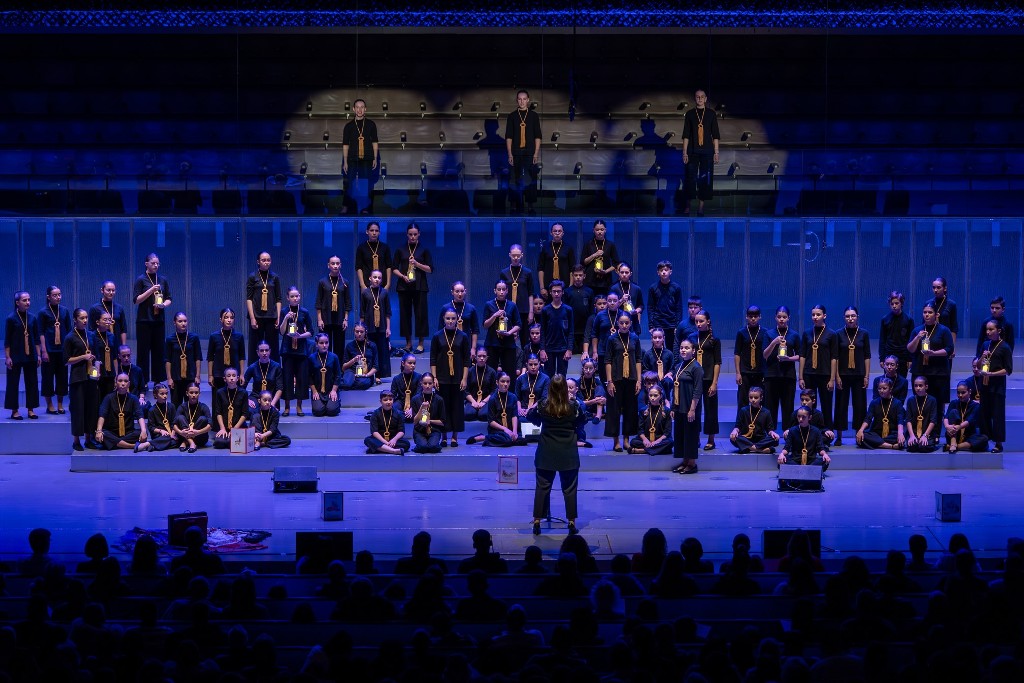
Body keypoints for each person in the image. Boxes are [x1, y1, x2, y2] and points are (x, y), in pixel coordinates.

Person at [528, 374, 586, 535]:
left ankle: (537, 521)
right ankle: (571, 521)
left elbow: (531, 418)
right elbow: (582, 421)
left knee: (542, 487)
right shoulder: (573, 406)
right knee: (569, 488)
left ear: (550, 388)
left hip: (546, 451)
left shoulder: (542, 405)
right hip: (568, 452)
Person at [430, 309, 471, 447]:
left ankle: (455, 436)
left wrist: (464, 379)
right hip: (442, 378)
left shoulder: (463, 336)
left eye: (453, 318)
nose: (450, 321)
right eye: (448, 318)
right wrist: (434, 377)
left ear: (457, 319)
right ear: (443, 319)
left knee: (457, 407)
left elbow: (466, 360)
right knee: (444, 408)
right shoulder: (437, 336)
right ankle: (444, 436)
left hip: (458, 378)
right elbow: (433, 359)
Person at [907, 302, 954, 419]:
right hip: (920, 371)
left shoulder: (944, 330)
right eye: (925, 312)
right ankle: (920, 431)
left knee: (937, 404)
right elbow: (910, 349)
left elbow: (949, 349)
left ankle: (935, 434)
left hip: (938, 372)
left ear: (936, 314)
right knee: (920, 403)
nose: (927, 315)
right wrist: (917, 337)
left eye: (930, 312)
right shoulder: (917, 330)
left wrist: (934, 353)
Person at [393, 222, 433, 354]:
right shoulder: (400, 249)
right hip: (404, 286)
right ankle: (408, 343)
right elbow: (394, 268)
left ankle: (420, 343)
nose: (412, 237)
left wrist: (417, 263)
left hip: (420, 286)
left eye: (415, 234)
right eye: (410, 234)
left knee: (421, 314)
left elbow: (430, 269)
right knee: (405, 315)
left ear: (419, 234)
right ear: (407, 234)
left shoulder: (424, 249)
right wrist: (403, 276)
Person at [604, 313, 642, 452]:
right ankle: (616, 441)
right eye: (621, 323)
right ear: (617, 324)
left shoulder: (635, 338)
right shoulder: (612, 339)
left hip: (631, 379)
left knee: (630, 410)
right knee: (614, 410)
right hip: (616, 379)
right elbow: (607, 361)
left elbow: (638, 360)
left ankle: (626, 439)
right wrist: (609, 381)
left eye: (627, 323)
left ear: (631, 323)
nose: (624, 325)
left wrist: (639, 380)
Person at [834, 306, 871, 446]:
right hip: (843, 375)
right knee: (840, 405)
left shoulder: (864, 333)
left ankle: (859, 435)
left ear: (857, 317)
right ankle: (839, 436)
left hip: (859, 375)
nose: (850, 318)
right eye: (848, 316)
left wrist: (866, 376)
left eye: (853, 316)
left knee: (860, 406)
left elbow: (867, 356)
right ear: (844, 317)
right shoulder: (838, 334)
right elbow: (835, 357)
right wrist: (836, 376)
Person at [133, 253, 172, 385]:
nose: (156, 265)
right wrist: (151, 290)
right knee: (143, 352)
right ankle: (142, 381)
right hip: (144, 321)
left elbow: (169, 299)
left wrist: (163, 305)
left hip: (158, 320)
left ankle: (158, 380)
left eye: (157, 263)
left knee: (159, 351)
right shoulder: (141, 279)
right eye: (153, 263)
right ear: (146, 264)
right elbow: (136, 300)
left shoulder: (162, 280)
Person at [681, 89, 721, 217]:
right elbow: (686, 134)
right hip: (692, 151)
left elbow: (715, 134)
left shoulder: (711, 113)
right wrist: (684, 152)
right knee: (690, 178)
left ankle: (701, 207)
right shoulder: (690, 114)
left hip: (708, 151)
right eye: (697, 97)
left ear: (706, 98)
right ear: (695, 98)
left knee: (705, 179)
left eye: (702, 97)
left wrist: (716, 152)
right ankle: (687, 206)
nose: (699, 99)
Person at [65, 308, 100, 451]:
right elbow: (66, 360)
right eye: (82, 318)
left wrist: (97, 370)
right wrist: (82, 357)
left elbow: (97, 356)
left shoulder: (91, 335)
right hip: (77, 378)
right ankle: (76, 440)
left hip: (91, 377)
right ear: (75, 320)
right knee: (78, 410)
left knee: (91, 409)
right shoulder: (70, 337)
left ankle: (88, 438)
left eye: (86, 318)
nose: (85, 321)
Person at [799, 304, 838, 434]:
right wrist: (801, 376)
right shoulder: (807, 333)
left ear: (824, 316)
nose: (815, 317)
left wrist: (832, 379)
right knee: (809, 406)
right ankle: (810, 432)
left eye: (818, 314)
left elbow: (834, 358)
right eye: (813, 315)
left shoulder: (831, 334)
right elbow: (802, 356)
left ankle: (828, 433)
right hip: (809, 373)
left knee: (827, 406)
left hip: (825, 374)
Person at [763, 305, 801, 431]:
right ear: (775, 318)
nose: (781, 319)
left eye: (784, 317)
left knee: (788, 407)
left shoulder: (794, 335)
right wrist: (774, 342)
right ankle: (771, 433)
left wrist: (789, 359)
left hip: (788, 375)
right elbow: (765, 355)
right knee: (770, 407)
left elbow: (801, 356)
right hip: (771, 375)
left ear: (788, 318)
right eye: (779, 317)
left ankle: (787, 434)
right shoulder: (769, 334)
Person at [688, 309, 721, 450]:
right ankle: (694, 437)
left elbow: (717, 362)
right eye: (696, 321)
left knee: (710, 410)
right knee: (694, 409)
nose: (699, 324)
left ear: (708, 321)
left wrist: (714, 382)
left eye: (701, 321)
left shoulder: (714, 340)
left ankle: (711, 439)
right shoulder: (691, 337)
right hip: (694, 379)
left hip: (708, 379)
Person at [978, 318, 1012, 453]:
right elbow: (978, 364)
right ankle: (984, 440)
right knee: (984, 414)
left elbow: (1008, 370)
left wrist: (992, 374)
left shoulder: (1005, 347)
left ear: (998, 331)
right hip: (984, 385)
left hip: (997, 386)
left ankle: (998, 443)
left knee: (997, 415)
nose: (988, 332)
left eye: (991, 329)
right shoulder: (985, 345)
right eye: (987, 329)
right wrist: (982, 357)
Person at [505, 89, 541, 214]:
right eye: (519, 99)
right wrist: (509, 153)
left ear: (528, 100)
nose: (522, 101)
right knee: (513, 178)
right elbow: (509, 136)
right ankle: (514, 204)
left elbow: (538, 136)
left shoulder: (534, 116)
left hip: (530, 152)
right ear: (517, 100)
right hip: (515, 152)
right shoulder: (512, 116)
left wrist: (536, 153)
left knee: (530, 178)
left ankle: (530, 204)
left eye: (524, 99)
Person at [5, 290, 40, 420]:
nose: (28, 302)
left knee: (32, 382)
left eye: (29, 300)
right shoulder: (11, 318)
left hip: (30, 355)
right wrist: (8, 357)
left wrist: (39, 355)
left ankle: (31, 409)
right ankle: (14, 410)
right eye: (24, 300)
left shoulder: (33, 318)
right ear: (17, 302)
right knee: (13, 383)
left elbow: (36, 338)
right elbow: (7, 340)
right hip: (15, 355)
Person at [38, 285, 72, 415]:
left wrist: (69, 349)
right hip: (49, 350)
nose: (58, 297)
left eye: (59, 294)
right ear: (48, 297)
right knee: (47, 378)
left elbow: (69, 331)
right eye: (55, 295)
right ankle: (49, 405)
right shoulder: (43, 312)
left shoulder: (64, 311)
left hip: (62, 350)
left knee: (62, 377)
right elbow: (40, 332)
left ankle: (59, 404)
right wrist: (44, 351)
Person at [341, 98, 379, 215]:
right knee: (348, 182)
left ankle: (366, 207)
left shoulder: (371, 124)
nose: (359, 110)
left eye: (362, 107)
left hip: (367, 157)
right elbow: (345, 145)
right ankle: (346, 206)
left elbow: (375, 142)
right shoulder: (348, 126)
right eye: (357, 107)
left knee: (367, 183)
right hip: (352, 158)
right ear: (353, 109)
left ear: (365, 109)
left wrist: (375, 158)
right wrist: (345, 161)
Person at [278, 288, 313, 413]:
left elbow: (311, 332)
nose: (295, 298)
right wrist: (286, 318)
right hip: (287, 349)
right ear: (288, 298)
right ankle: (287, 406)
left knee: (301, 378)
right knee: (287, 378)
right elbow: (281, 332)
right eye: (292, 296)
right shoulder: (284, 311)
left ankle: (299, 406)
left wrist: (300, 336)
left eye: (297, 296)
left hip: (301, 349)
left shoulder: (304, 312)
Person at [672, 338, 703, 474]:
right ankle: (685, 461)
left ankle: (692, 464)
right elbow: (675, 388)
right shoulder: (678, 366)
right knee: (681, 435)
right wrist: (673, 407)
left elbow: (697, 390)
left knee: (690, 435)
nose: (683, 350)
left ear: (693, 351)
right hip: (679, 406)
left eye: (687, 348)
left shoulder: (696, 367)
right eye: (682, 348)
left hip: (690, 407)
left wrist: (692, 409)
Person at [96, 372, 150, 451]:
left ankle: (116, 444)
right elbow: (102, 415)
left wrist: (144, 430)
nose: (123, 383)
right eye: (120, 381)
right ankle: (133, 446)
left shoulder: (133, 398)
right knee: (104, 434)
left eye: (125, 381)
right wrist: (99, 430)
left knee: (142, 434)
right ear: (116, 382)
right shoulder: (109, 397)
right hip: (112, 432)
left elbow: (140, 415)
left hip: (128, 433)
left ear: (129, 384)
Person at [245, 251, 283, 363]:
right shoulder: (253, 277)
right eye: (263, 260)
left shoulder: (274, 277)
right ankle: (254, 372)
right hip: (256, 316)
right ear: (258, 262)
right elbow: (249, 298)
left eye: (268, 260)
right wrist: (252, 317)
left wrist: (278, 316)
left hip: (272, 316)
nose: (266, 262)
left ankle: (275, 372)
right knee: (255, 345)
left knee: (273, 345)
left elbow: (278, 298)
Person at [468, 371, 522, 447]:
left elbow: (514, 415)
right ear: (497, 382)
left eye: (507, 382)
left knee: (522, 440)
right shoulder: (493, 398)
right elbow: (491, 421)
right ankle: (483, 437)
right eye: (502, 381)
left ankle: (497, 439)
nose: (505, 384)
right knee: (507, 441)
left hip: (509, 428)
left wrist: (515, 431)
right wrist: (504, 429)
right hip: (497, 429)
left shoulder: (513, 397)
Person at [499, 244, 536, 347]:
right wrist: (501, 310)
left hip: (523, 310)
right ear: (509, 255)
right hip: (506, 310)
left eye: (518, 255)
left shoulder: (528, 272)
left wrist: (531, 312)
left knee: (525, 339)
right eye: (513, 255)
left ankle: (525, 362)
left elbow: (530, 293)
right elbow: (501, 293)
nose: (516, 258)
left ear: (522, 255)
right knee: (504, 335)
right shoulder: (504, 272)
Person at [734, 305, 769, 411]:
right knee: (742, 400)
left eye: (755, 316)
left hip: (760, 371)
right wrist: (738, 372)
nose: (753, 318)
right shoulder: (741, 332)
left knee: (762, 400)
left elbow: (767, 353)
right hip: (745, 371)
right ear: (746, 317)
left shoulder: (765, 332)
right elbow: (737, 353)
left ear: (760, 317)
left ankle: (761, 425)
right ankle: (741, 426)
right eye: (750, 316)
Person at [483, 280, 521, 377]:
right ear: (494, 291)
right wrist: (494, 316)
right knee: (490, 372)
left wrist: (509, 333)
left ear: (507, 291)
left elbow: (518, 324)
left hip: (508, 343)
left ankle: (510, 392)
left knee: (509, 373)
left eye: (503, 289)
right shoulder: (489, 304)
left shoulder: (512, 305)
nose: (501, 292)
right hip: (492, 343)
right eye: (499, 289)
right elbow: (485, 325)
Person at [315, 255, 352, 356]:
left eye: (337, 263)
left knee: (339, 347)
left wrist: (346, 319)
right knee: (324, 346)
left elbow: (348, 303)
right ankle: (325, 369)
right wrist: (319, 319)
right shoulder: (322, 282)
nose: (335, 266)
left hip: (340, 319)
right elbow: (318, 302)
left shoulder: (345, 282)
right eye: (333, 263)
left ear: (340, 265)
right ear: (328, 265)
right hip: (325, 319)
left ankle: (338, 370)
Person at [164, 312, 202, 408]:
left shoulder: (194, 338)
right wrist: (169, 378)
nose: (183, 323)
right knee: (175, 404)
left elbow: (198, 358)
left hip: (190, 377)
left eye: (185, 321)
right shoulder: (170, 339)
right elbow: (168, 360)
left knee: (191, 404)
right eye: (180, 321)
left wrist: (197, 376)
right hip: (176, 377)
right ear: (174, 323)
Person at [777, 406, 831, 473]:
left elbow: (820, 448)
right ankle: (808, 472)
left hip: (811, 461)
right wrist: (782, 454)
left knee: (825, 461)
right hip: (795, 461)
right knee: (781, 462)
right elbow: (787, 448)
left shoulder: (816, 431)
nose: (800, 419)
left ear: (809, 418)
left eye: (803, 417)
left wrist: (825, 454)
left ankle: (799, 472)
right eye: (798, 416)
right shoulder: (792, 430)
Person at [856, 377, 905, 450]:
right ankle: (890, 446)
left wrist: (900, 434)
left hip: (891, 434)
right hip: (877, 433)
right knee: (861, 437)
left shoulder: (897, 403)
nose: (881, 391)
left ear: (890, 389)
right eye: (879, 388)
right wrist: (861, 430)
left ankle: (877, 443)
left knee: (901, 438)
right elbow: (868, 418)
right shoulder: (874, 403)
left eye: (884, 388)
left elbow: (900, 420)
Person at [360, 269, 392, 378]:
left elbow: (388, 312)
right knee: (371, 351)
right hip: (369, 327)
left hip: (382, 327)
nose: (377, 279)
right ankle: (370, 374)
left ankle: (381, 375)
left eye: (379, 278)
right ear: (370, 278)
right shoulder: (365, 292)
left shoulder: (384, 292)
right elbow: (362, 312)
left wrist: (388, 328)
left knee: (382, 351)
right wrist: (362, 328)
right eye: (375, 277)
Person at [539, 279, 573, 378]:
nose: (556, 294)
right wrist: (542, 349)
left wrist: (569, 349)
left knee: (562, 376)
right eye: (554, 291)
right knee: (548, 376)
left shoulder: (568, 310)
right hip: (549, 347)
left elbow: (571, 331)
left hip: (563, 347)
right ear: (550, 293)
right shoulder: (545, 310)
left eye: (559, 291)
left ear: (562, 292)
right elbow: (543, 331)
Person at [730, 386, 779, 454]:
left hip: (761, 440)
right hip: (746, 438)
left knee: (776, 439)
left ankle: (748, 448)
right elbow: (738, 426)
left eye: (756, 398)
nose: (753, 400)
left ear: (761, 398)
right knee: (733, 438)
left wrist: (773, 433)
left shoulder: (766, 412)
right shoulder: (743, 410)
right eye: (751, 397)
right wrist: (734, 431)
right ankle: (759, 450)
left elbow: (769, 429)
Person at [647, 260, 684, 351]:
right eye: (661, 270)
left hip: (671, 323)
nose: (664, 272)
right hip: (658, 323)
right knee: (657, 349)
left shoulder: (676, 287)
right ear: (658, 272)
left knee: (671, 349)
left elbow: (679, 308)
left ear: (670, 272)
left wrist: (677, 325)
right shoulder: (653, 288)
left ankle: (670, 366)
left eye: (666, 270)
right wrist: (651, 326)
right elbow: (650, 307)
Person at [207, 307, 246, 394]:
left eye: (231, 318)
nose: (229, 320)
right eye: (226, 317)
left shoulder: (239, 336)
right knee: (217, 401)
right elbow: (210, 357)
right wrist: (210, 375)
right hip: (218, 374)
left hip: (234, 375)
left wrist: (242, 374)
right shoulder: (214, 336)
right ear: (221, 319)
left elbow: (242, 357)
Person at [943, 381, 988, 453]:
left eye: (963, 392)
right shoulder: (954, 403)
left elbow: (969, 421)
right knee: (953, 412)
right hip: (952, 434)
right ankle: (953, 442)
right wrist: (947, 426)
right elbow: (946, 417)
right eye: (958, 392)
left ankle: (955, 446)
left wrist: (959, 427)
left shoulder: (975, 405)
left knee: (984, 439)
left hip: (968, 436)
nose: (960, 395)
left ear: (969, 391)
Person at [879, 290, 914, 378]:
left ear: (901, 303)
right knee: (888, 382)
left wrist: (910, 358)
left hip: (903, 355)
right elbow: (882, 339)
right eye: (892, 304)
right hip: (889, 354)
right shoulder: (885, 319)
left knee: (902, 380)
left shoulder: (908, 320)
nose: (894, 306)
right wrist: (882, 358)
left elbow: (911, 340)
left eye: (896, 303)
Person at [579, 219, 618, 296]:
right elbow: (583, 262)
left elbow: (616, 263)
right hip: (590, 280)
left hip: (605, 280)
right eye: (597, 230)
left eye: (602, 229)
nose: (599, 232)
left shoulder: (610, 244)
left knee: (604, 303)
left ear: (605, 230)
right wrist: (594, 255)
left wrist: (606, 271)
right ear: (593, 230)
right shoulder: (588, 244)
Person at [631, 385, 673, 455]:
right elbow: (640, 429)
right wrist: (645, 439)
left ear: (660, 396)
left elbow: (667, 432)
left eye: (655, 395)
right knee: (633, 442)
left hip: (660, 439)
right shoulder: (643, 410)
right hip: (647, 439)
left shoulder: (667, 411)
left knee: (670, 442)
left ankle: (642, 450)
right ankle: (657, 449)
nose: (652, 398)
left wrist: (657, 442)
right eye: (650, 395)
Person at [212, 368, 248, 449]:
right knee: (219, 443)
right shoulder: (220, 392)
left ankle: (230, 439)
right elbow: (218, 412)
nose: (231, 378)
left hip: (239, 427)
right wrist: (222, 429)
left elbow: (244, 414)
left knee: (231, 443)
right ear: (225, 379)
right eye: (229, 376)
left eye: (234, 376)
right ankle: (225, 436)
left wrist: (235, 429)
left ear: (237, 378)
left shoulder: (243, 393)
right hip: (225, 427)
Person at [364, 389, 409, 454]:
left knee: (406, 444)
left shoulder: (399, 413)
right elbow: (374, 432)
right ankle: (393, 451)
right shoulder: (375, 414)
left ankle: (380, 448)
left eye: (390, 399)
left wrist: (394, 440)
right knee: (368, 440)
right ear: (380, 401)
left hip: (393, 439)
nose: (388, 402)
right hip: (380, 439)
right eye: (385, 400)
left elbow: (401, 431)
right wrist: (385, 442)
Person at [308, 333, 342, 417]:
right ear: (316, 344)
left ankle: (335, 403)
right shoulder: (312, 358)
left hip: (331, 390)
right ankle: (324, 405)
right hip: (318, 391)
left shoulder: (334, 357)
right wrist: (314, 391)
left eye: (326, 343)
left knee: (332, 411)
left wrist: (334, 390)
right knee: (318, 412)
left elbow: (338, 375)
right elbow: (309, 376)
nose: (324, 345)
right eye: (321, 343)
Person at [537, 223, 575, 300]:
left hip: (565, 287)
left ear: (563, 233)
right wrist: (542, 288)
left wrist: (570, 287)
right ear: (551, 233)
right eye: (555, 231)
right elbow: (541, 268)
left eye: (559, 231)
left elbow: (572, 269)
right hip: (548, 287)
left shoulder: (568, 247)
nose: (557, 233)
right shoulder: (545, 247)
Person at [438, 280, 479, 351]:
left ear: (465, 291)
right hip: (449, 343)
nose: (460, 294)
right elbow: (440, 329)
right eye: (457, 291)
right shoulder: (445, 308)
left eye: (462, 291)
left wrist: (473, 348)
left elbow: (475, 330)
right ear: (452, 292)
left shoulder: (471, 308)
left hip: (466, 343)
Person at [242, 341, 283, 410]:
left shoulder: (276, 367)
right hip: (256, 397)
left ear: (269, 351)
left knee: (270, 412)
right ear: (258, 352)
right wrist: (247, 400)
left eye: (266, 350)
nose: (264, 353)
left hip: (270, 398)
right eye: (261, 351)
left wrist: (272, 404)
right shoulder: (252, 367)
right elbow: (242, 386)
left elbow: (280, 388)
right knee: (249, 411)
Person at [904, 376, 941, 453]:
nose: (918, 388)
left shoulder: (932, 400)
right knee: (912, 446)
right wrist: (911, 435)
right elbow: (908, 420)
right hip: (914, 433)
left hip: (927, 433)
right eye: (915, 385)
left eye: (920, 385)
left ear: (926, 386)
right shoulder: (911, 400)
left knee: (924, 447)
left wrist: (925, 435)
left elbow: (933, 420)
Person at [410, 373, 445, 453]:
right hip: (419, 430)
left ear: (433, 384)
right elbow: (415, 421)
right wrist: (422, 407)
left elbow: (442, 422)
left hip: (434, 430)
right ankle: (421, 445)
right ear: (421, 383)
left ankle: (433, 444)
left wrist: (430, 421)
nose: (427, 386)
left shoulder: (439, 399)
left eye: (430, 383)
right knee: (423, 447)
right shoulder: (415, 399)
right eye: (425, 383)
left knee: (432, 447)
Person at [173, 383, 212, 452]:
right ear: (187, 393)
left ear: (199, 393)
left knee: (203, 419)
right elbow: (174, 425)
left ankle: (185, 442)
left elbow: (210, 425)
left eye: (196, 393)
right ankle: (191, 443)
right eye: (191, 393)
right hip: (183, 435)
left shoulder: (203, 406)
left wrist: (198, 432)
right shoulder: (182, 406)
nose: (194, 395)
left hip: (200, 438)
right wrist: (180, 432)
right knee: (180, 417)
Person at [88, 280, 128, 346]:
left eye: (113, 290)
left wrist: (123, 346)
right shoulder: (95, 308)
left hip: (117, 343)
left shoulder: (119, 308)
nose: (111, 292)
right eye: (108, 290)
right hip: (100, 344)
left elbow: (123, 329)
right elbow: (91, 329)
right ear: (102, 290)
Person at [340, 322, 378, 390]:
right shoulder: (349, 346)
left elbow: (376, 367)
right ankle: (347, 383)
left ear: (365, 332)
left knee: (363, 383)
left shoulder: (372, 346)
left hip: (366, 373)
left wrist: (366, 375)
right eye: (357, 332)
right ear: (354, 332)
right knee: (347, 383)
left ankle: (345, 384)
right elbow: (343, 368)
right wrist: (353, 360)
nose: (359, 334)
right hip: (351, 371)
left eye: (361, 332)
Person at [564, 266, 593, 355]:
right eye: (576, 275)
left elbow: (592, 311)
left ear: (584, 276)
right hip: (572, 329)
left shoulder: (589, 291)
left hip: (585, 329)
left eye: (580, 275)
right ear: (572, 276)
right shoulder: (567, 292)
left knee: (584, 353)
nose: (578, 277)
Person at [464, 348, 496, 423]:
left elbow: (494, 390)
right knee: (468, 414)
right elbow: (465, 390)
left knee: (484, 415)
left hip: (486, 400)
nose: (482, 358)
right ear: (475, 357)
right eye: (479, 356)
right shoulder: (470, 371)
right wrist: (473, 402)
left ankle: (480, 411)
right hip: (472, 400)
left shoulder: (492, 372)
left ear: (487, 358)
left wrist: (484, 402)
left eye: (484, 356)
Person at [145, 383, 179, 452]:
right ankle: (157, 444)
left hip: (172, 433)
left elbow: (175, 422)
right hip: (159, 435)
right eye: (162, 394)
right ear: (155, 395)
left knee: (177, 439)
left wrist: (172, 434)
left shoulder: (171, 406)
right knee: (170, 440)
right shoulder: (152, 410)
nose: (165, 396)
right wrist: (161, 431)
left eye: (166, 393)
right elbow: (151, 427)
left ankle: (152, 445)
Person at [925, 276, 958, 347]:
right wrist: (925, 346)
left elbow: (954, 327)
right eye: (933, 287)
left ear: (945, 288)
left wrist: (953, 347)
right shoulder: (928, 303)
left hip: (946, 340)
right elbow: (924, 326)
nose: (935, 290)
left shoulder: (951, 304)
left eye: (938, 287)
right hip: (931, 340)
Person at [515, 354, 550, 419]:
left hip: (539, 410)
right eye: (530, 364)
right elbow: (517, 397)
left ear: (539, 364)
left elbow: (544, 398)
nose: (533, 367)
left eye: (535, 364)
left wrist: (530, 409)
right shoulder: (520, 379)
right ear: (526, 364)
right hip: (523, 410)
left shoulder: (545, 378)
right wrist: (519, 409)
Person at [612, 262, 644, 331]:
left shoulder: (636, 288)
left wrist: (636, 310)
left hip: (633, 320)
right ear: (618, 273)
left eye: (626, 272)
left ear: (630, 274)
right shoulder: (614, 288)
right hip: (618, 321)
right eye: (622, 272)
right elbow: (610, 307)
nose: (624, 275)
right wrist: (621, 300)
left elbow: (641, 305)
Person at [94, 311, 118, 399]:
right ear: (97, 322)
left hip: (110, 373)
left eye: (109, 319)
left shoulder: (111, 336)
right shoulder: (92, 336)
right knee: (97, 399)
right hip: (98, 372)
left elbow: (114, 357)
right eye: (105, 319)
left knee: (109, 399)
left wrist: (116, 375)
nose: (108, 322)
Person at [390, 352, 421, 419]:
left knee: (418, 409)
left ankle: (401, 416)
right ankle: (403, 416)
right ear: (403, 363)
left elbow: (419, 394)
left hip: (415, 402)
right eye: (410, 363)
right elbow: (393, 395)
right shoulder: (397, 378)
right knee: (394, 408)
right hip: (401, 401)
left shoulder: (419, 377)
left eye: (414, 363)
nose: (412, 365)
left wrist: (412, 408)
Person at [576, 357, 606, 422]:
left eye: (591, 368)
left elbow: (603, 400)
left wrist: (604, 400)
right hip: (584, 407)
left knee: (600, 388)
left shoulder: (597, 381)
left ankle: (598, 415)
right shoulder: (577, 383)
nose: (588, 371)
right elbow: (579, 402)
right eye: (586, 368)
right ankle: (592, 415)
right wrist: (594, 401)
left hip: (595, 407)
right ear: (582, 369)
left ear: (595, 369)